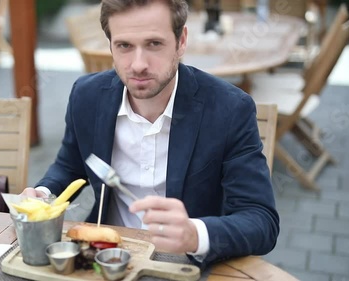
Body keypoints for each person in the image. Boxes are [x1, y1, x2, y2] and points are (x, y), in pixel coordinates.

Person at [21, 0, 279, 268]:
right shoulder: (87, 96)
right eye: (124, 46)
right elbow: (70, 165)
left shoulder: (229, 109)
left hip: (188, 264)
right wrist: (43, 194)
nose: (138, 64)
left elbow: (261, 221)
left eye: (154, 44)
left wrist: (194, 234)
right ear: (110, 45)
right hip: (106, 258)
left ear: (181, 41)